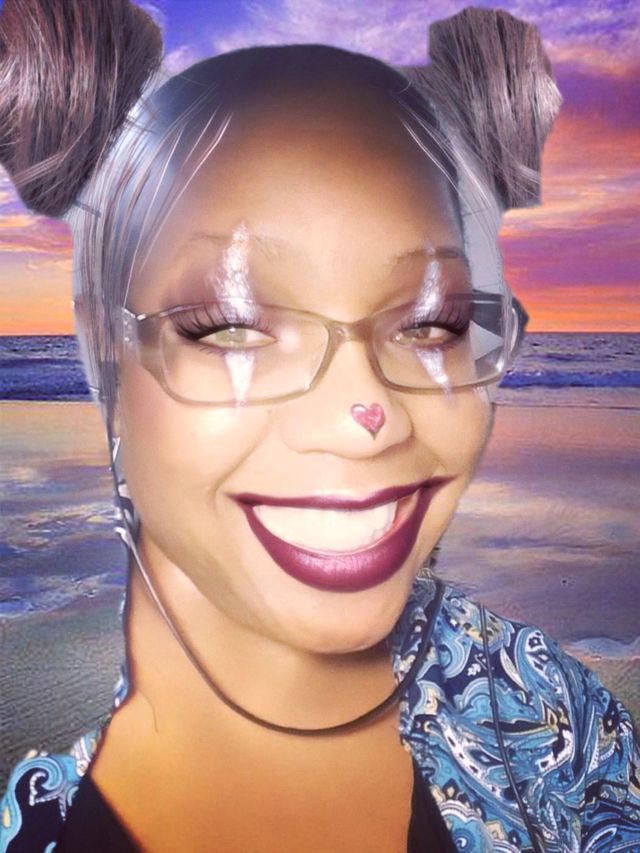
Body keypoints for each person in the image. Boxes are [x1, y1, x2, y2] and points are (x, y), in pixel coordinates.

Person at [1, 1, 638, 851]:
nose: (362, 415)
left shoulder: (555, 718)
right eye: (230, 324)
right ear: (106, 360)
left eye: (431, 322)